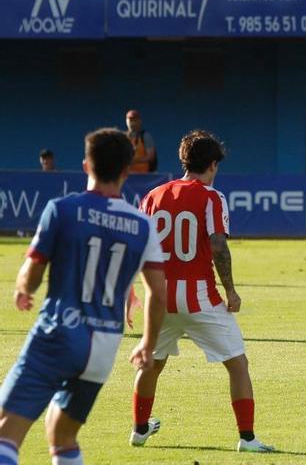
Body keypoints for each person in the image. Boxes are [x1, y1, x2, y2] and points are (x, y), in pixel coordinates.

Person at [0, 129, 166, 465]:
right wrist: (148, 344)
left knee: (5, 433)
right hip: (104, 344)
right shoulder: (143, 225)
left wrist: (22, 289)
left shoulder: (62, 209)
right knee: (63, 436)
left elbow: (33, 274)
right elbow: (158, 293)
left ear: (85, 165)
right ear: (126, 171)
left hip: (59, 332)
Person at [128, 130, 274, 452]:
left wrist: (130, 291)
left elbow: (137, 247)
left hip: (160, 298)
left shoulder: (152, 196)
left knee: (151, 364)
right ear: (211, 164)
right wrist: (231, 292)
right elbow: (219, 246)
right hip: (200, 297)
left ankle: (139, 429)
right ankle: (247, 439)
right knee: (237, 364)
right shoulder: (211, 197)